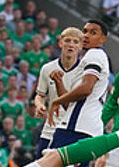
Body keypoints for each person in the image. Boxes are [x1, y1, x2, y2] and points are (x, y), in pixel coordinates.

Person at [47, 20, 110, 167]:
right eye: (85, 31)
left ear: (103, 38)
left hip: (75, 129)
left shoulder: (95, 55)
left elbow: (86, 89)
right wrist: (60, 83)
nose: (86, 36)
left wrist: (56, 101)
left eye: (93, 32)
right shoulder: (90, 59)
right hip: (85, 128)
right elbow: (73, 104)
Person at [34, 27, 84, 158]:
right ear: (60, 43)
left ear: (80, 46)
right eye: (67, 40)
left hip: (73, 128)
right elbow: (40, 95)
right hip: (50, 127)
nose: (71, 45)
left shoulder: (84, 72)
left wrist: (58, 82)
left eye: (75, 42)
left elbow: (70, 102)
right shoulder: (47, 68)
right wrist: (39, 105)